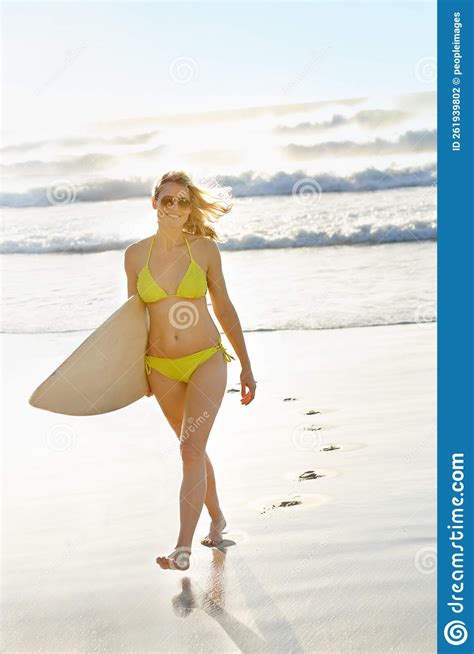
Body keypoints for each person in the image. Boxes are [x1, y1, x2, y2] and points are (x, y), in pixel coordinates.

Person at [124, 170, 257, 571]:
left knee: (189, 448)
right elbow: (133, 322)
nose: (176, 208)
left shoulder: (204, 251)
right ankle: (216, 519)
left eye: (183, 201)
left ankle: (183, 549)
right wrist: (136, 375)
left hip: (205, 360)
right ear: (154, 203)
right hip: (160, 368)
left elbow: (224, 308)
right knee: (193, 449)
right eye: (168, 200)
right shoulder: (134, 256)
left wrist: (247, 366)